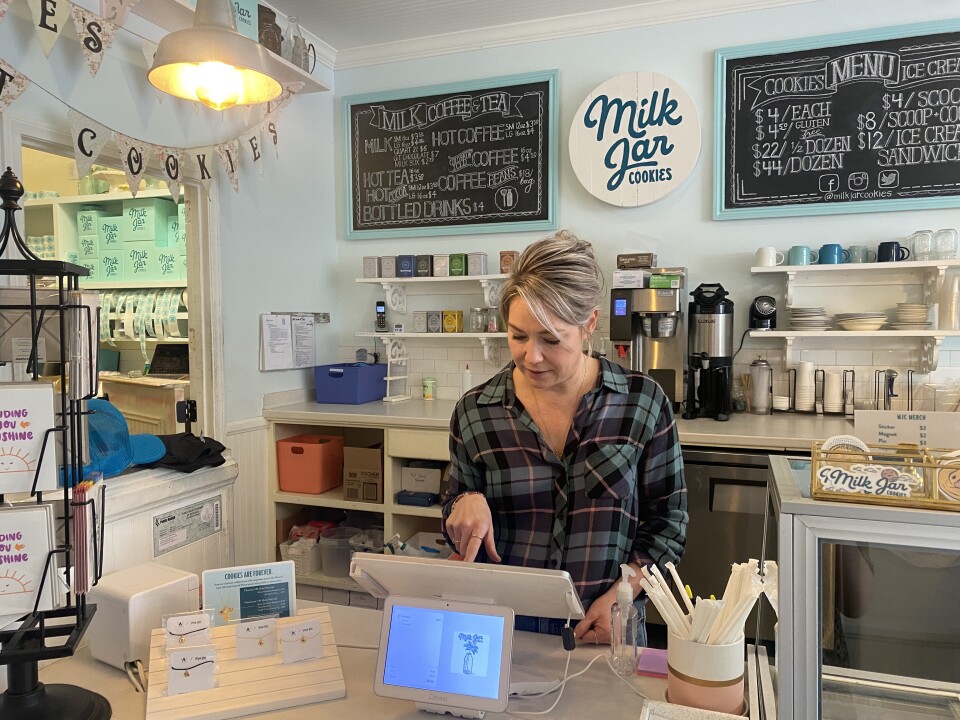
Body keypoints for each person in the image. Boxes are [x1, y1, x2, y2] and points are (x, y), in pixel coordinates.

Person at [441, 230, 687, 647]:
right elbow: (456, 519)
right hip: (502, 633)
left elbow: (669, 524)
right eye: (518, 336)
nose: (531, 356)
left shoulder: (641, 402)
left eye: (551, 339)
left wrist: (622, 594)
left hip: (604, 629)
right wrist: (463, 504)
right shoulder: (477, 411)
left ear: (589, 324)